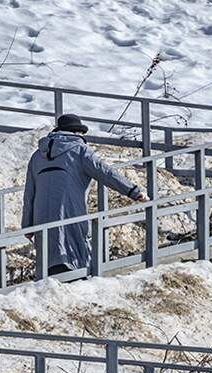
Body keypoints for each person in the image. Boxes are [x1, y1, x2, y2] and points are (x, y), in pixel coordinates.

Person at [22, 114, 148, 278]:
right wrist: (133, 191)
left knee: (50, 259)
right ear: (76, 132)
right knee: (73, 256)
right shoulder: (80, 150)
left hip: (41, 217)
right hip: (71, 211)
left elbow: (29, 193)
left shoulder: (37, 156)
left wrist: (27, 225)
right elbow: (105, 173)